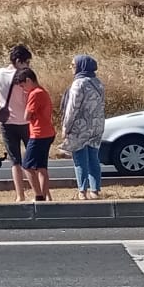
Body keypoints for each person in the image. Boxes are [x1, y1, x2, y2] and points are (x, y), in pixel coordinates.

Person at [0, 42, 33, 199]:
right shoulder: (26, 76)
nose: (28, 65)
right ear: (18, 61)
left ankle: (19, 195)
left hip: (7, 123)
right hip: (26, 122)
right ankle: (39, 193)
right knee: (31, 160)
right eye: (26, 62)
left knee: (15, 161)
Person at [62, 54, 106, 199]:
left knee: (80, 158)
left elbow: (72, 108)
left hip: (80, 126)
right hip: (96, 125)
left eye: (73, 65)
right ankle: (95, 190)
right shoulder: (98, 82)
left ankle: (82, 190)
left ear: (81, 66)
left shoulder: (78, 83)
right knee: (94, 157)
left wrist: (66, 127)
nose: (71, 68)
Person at [14, 67, 55, 201]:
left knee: (27, 165)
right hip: (48, 132)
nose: (23, 89)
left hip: (38, 134)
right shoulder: (43, 91)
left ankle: (38, 195)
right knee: (41, 167)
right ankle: (43, 196)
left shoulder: (35, 93)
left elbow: (27, 116)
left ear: (28, 80)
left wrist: (28, 108)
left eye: (23, 85)